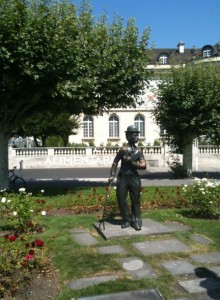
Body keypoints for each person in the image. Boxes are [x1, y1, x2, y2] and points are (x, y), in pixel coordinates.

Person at [109, 125, 146, 231]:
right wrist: (112, 174)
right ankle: (127, 219)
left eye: (137, 134)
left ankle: (137, 221)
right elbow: (115, 162)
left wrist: (131, 161)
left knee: (136, 200)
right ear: (128, 136)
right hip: (123, 177)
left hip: (134, 178)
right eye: (134, 134)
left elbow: (143, 166)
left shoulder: (139, 151)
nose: (137, 136)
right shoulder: (123, 150)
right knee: (121, 199)